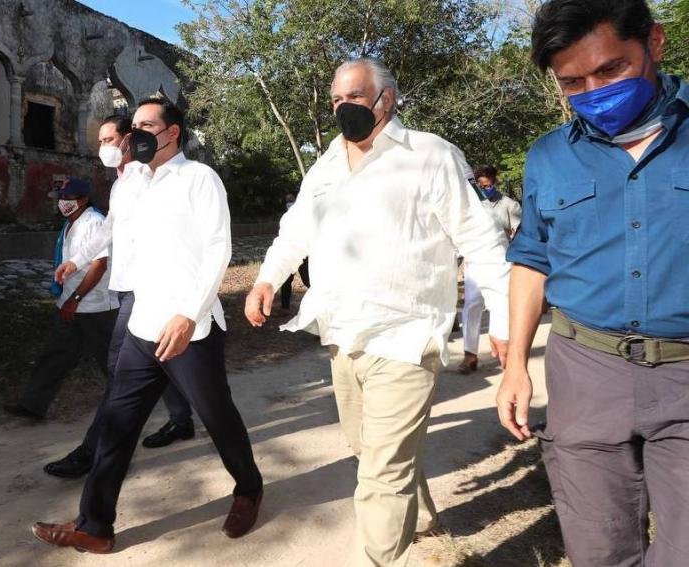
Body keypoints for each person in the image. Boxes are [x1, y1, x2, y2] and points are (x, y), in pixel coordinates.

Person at [245, 58, 510, 567]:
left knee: (381, 473)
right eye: (336, 99)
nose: (343, 107)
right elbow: (295, 229)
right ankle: (422, 519)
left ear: (387, 100)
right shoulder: (327, 164)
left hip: (406, 337)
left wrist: (502, 317)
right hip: (343, 335)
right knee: (371, 450)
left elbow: (480, 238)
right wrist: (266, 279)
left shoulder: (430, 155)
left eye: (355, 97)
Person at [497, 1, 689, 565]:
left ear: (654, 42)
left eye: (610, 69)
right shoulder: (549, 157)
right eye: (573, 82)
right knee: (597, 545)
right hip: (586, 373)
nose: (594, 91)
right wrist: (514, 367)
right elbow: (531, 259)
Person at [32, 96, 263, 553]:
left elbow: (218, 249)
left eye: (146, 126)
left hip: (188, 328)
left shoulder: (199, 178)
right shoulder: (131, 182)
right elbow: (110, 231)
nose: (134, 134)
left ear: (172, 133)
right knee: (117, 422)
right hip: (141, 321)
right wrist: (77, 259)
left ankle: (249, 488)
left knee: (217, 416)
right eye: (132, 126)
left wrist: (189, 313)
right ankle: (94, 526)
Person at [43, 116, 196, 479]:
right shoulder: (121, 183)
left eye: (109, 139)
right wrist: (76, 261)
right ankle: (182, 420)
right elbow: (109, 230)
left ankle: (93, 452)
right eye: (100, 141)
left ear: (129, 140)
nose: (103, 147)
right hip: (130, 289)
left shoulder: (148, 177)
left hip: (147, 291)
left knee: (121, 374)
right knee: (162, 363)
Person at [4, 177, 119, 420]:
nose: (63, 202)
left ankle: (129, 406)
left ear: (83, 200)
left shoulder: (94, 222)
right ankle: (33, 404)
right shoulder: (70, 223)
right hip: (71, 303)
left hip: (96, 307)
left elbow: (99, 265)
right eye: (61, 198)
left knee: (112, 361)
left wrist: (75, 298)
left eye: (68, 198)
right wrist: (70, 299)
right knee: (56, 355)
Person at [458, 165, 521, 373]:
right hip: (474, 261)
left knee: (499, 305)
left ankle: (504, 356)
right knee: (472, 304)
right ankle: (470, 354)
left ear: (495, 182)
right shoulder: (470, 203)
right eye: (482, 186)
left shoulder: (509, 205)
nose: (486, 189)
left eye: (489, 185)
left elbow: (519, 232)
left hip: (501, 260)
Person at [279, 191, 310, 310]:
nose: (289, 203)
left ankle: (323, 301)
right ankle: (284, 307)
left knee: (307, 279)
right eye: (287, 201)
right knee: (286, 280)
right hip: (289, 253)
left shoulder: (304, 215)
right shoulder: (285, 217)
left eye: (291, 200)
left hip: (303, 253)